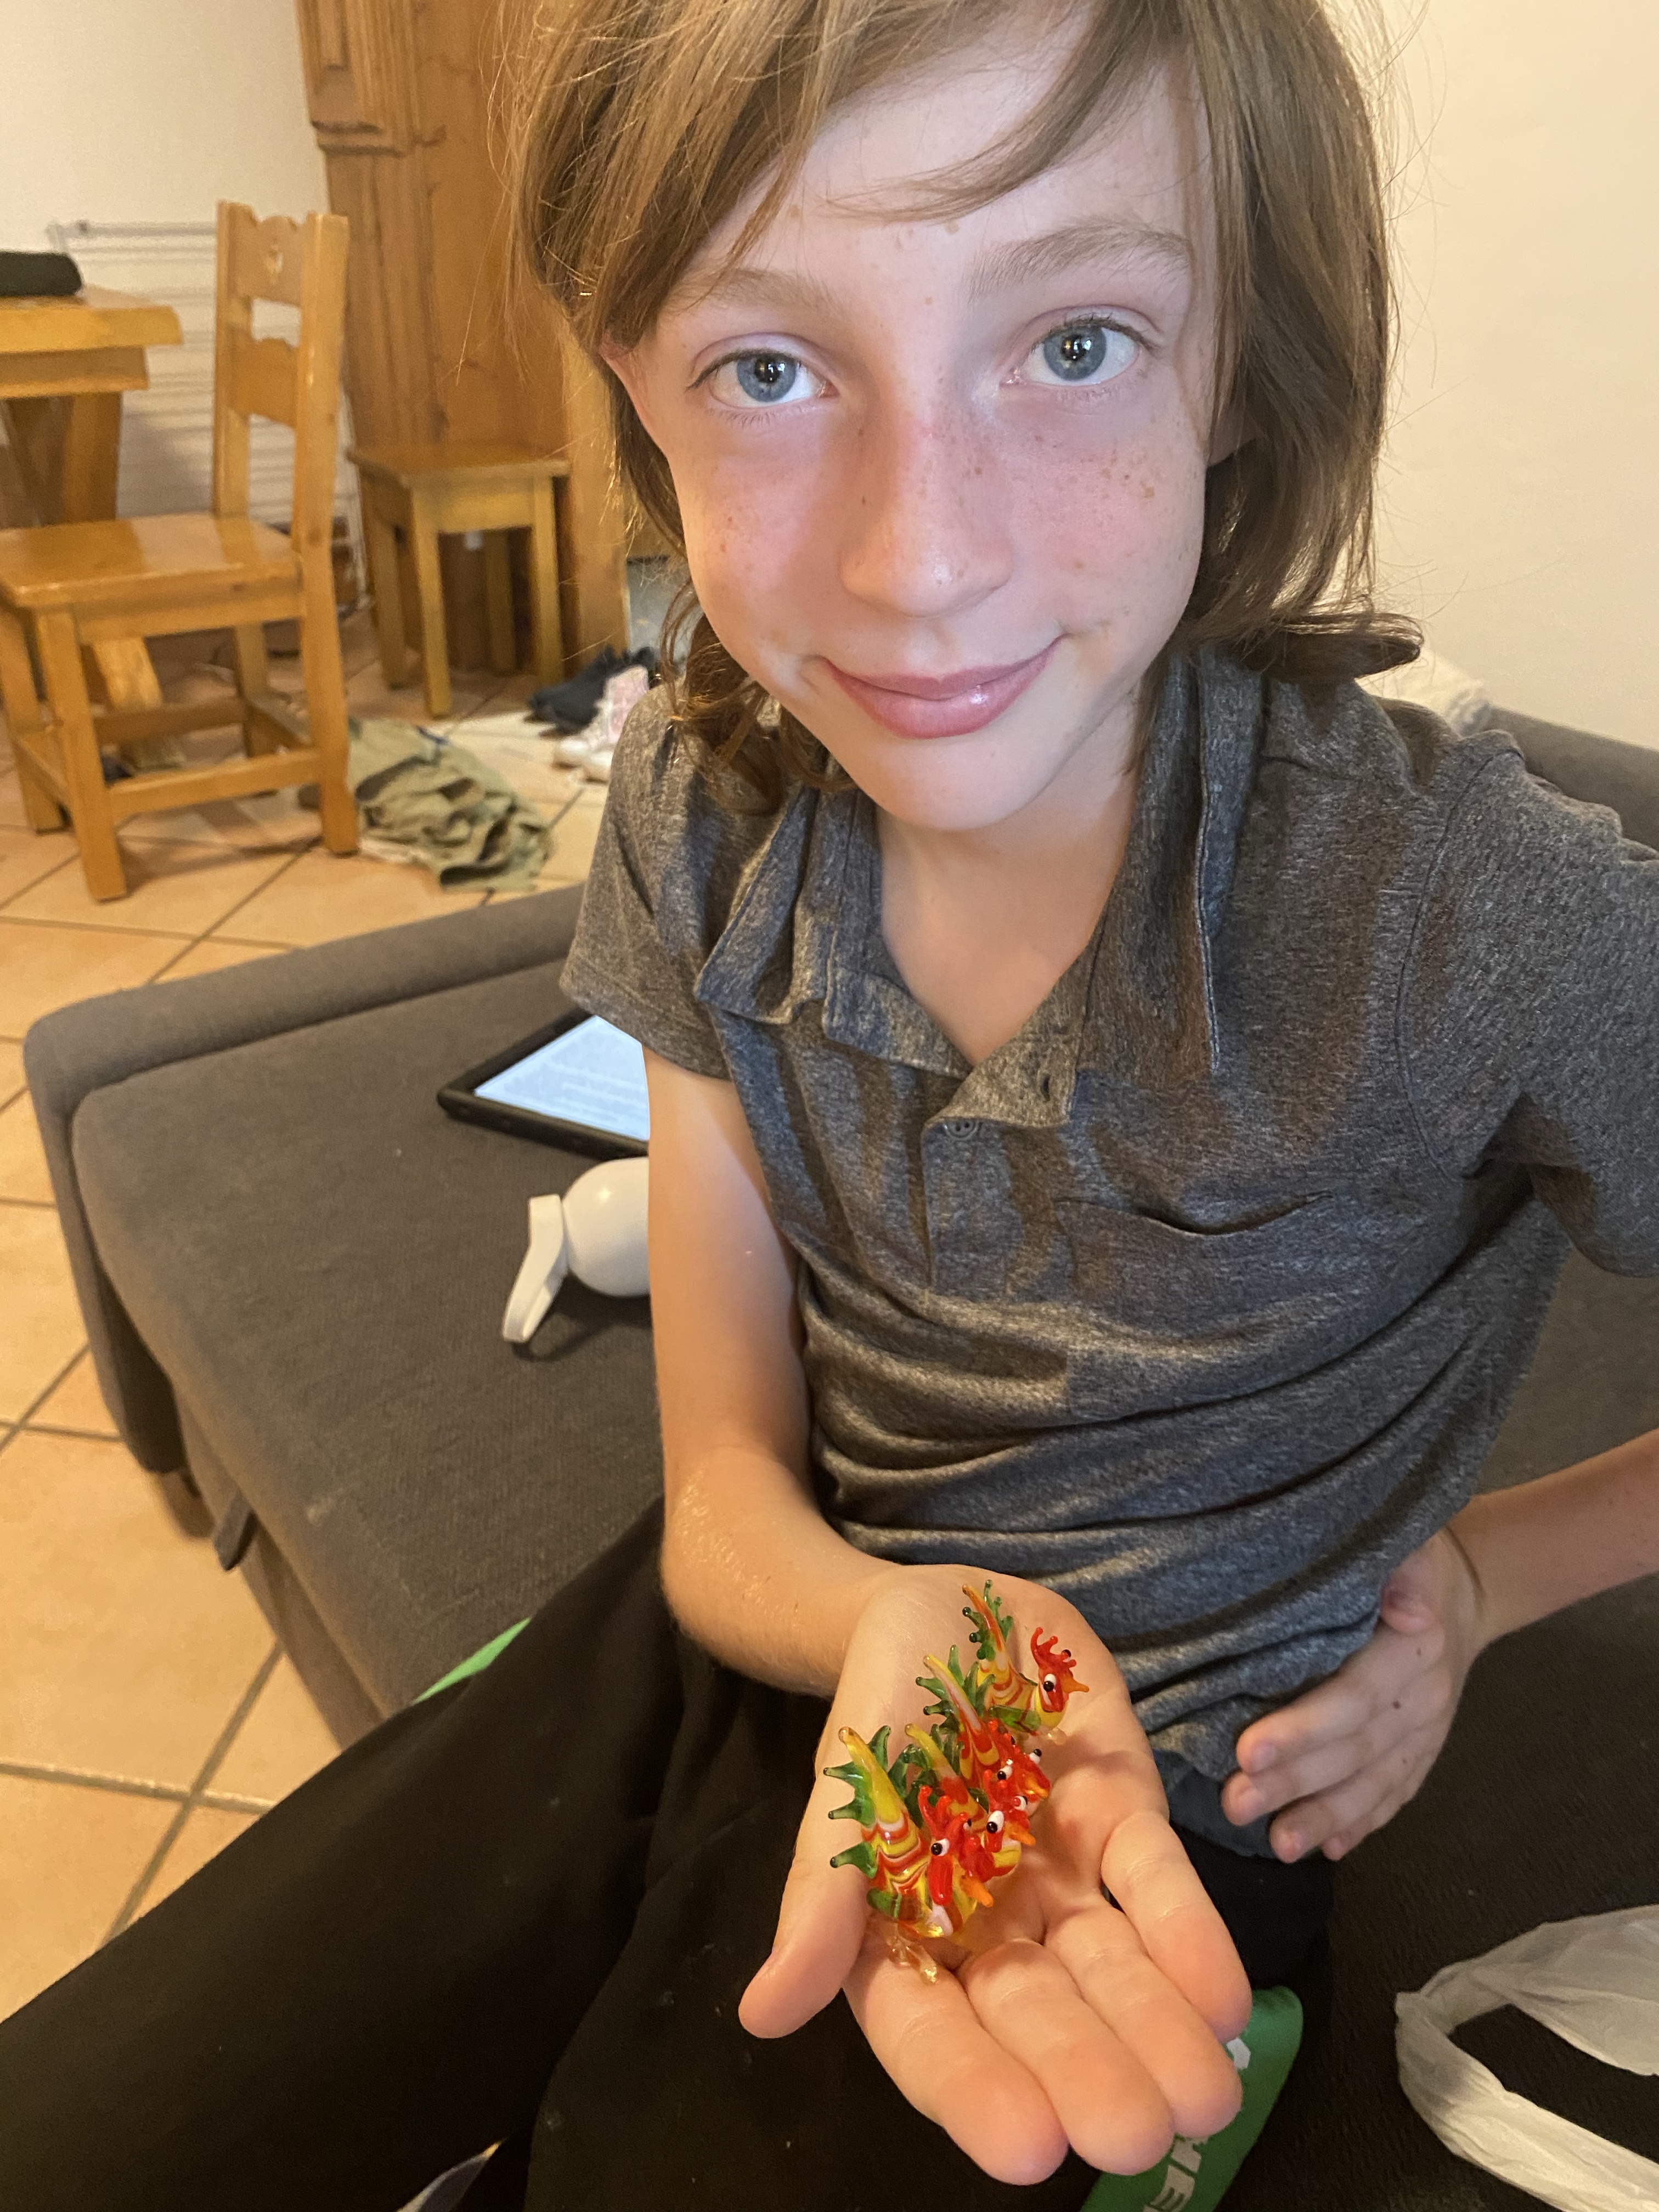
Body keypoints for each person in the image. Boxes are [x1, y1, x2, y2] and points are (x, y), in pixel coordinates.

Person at [3, 2, 1656, 2207]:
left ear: (1242, 362)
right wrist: (876, 1620)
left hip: (1135, 1834)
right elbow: (721, 1487)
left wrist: (1480, 1571)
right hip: (781, 1640)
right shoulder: (699, 802)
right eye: (770, 368)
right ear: (633, 380)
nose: (915, 561)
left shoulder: (1461, 908)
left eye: (1074, 341)